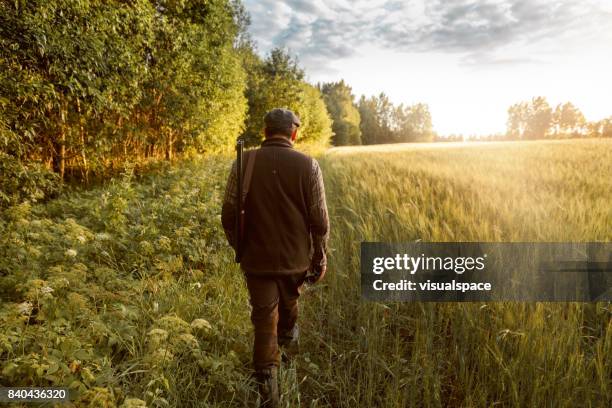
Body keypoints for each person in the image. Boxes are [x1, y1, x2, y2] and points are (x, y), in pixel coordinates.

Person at [221, 108, 329, 407]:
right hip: (296, 260)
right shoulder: (309, 165)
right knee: (289, 305)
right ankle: (286, 348)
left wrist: (239, 247)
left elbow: (228, 213)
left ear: (266, 131)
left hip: (256, 260)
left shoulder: (245, 161)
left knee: (264, 318)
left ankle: (268, 385)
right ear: (293, 132)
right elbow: (319, 220)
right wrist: (320, 256)